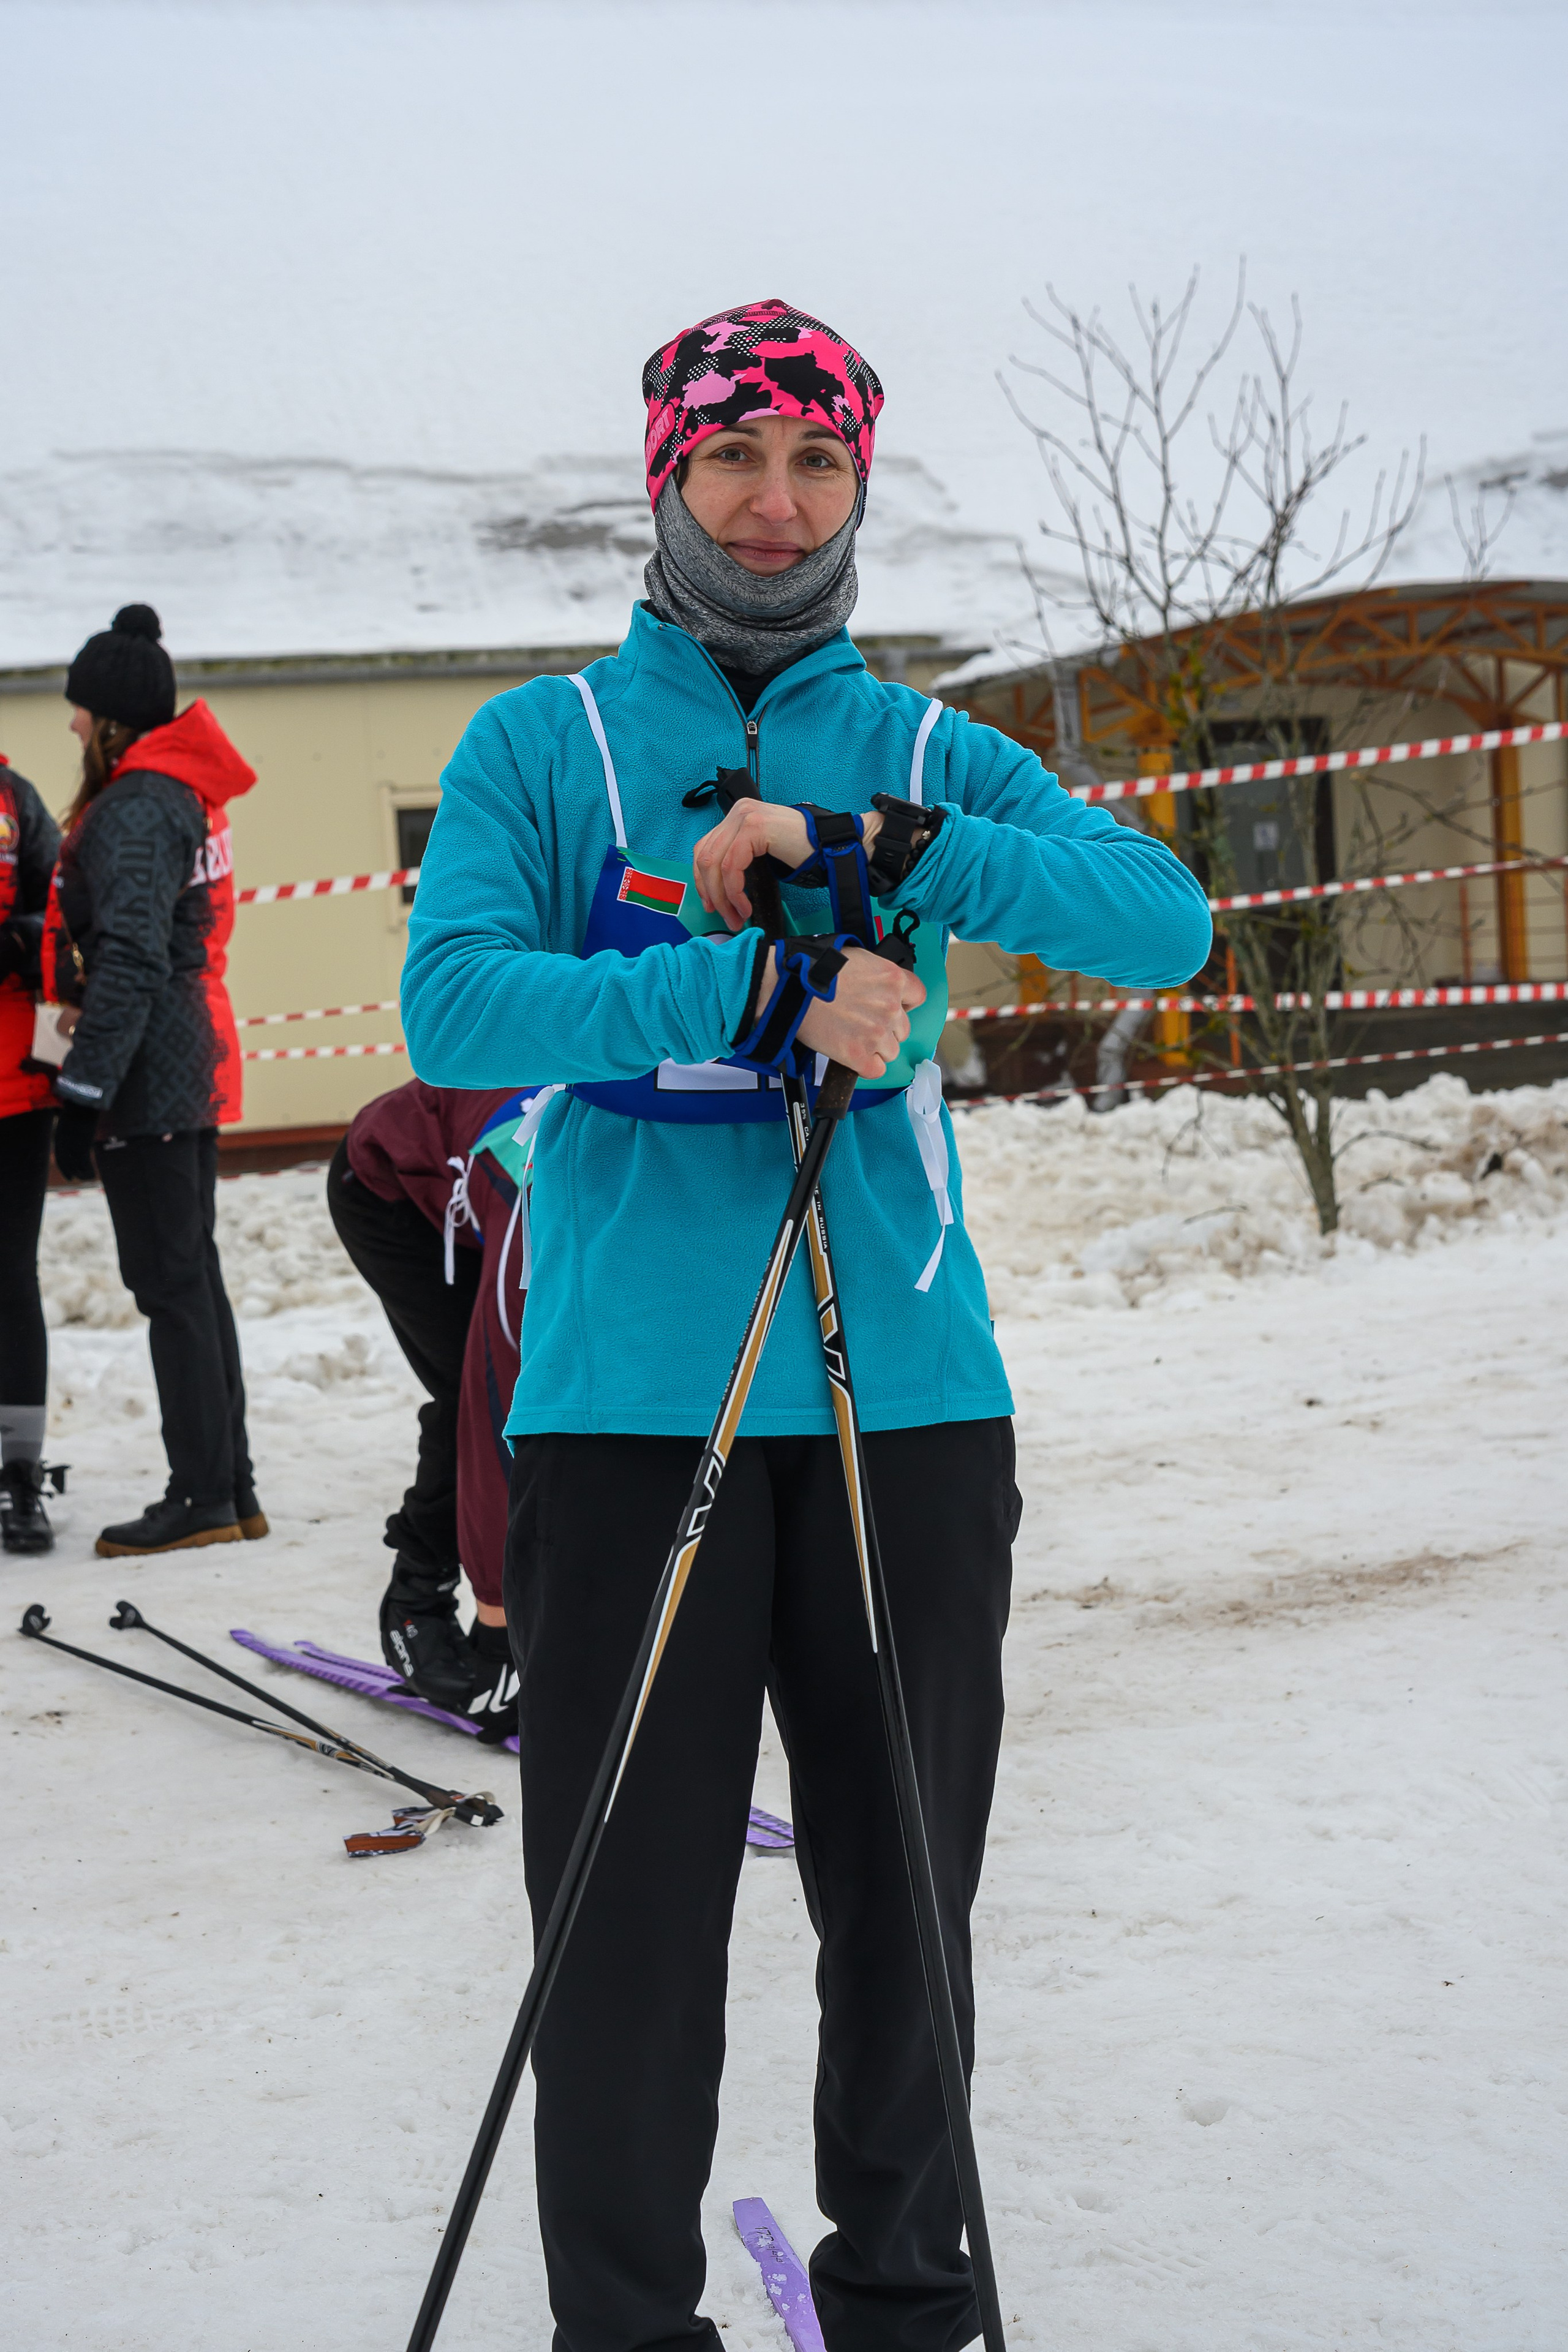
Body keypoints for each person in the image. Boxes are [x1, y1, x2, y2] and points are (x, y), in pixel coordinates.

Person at [401, 300, 1213, 2352]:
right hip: (627, 1414)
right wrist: (728, 990)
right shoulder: (546, 746)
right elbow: (458, 1018)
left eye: (817, 464)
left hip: (906, 1409)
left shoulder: (929, 743)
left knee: (904, 1920)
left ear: (858, 484)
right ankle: (627, 2328)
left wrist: (876, 853)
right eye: (734, 460)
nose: (774, 507)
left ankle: (908, 2306)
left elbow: (1165, 918)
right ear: (664, 475)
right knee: (628, 1941)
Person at [48, 605, 266, 1558]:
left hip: (153, 1071)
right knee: (193, 1280)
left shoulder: (138, 805)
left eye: (81, 710)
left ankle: (203, 1496)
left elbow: (132, 956)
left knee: (172, 1284)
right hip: (186, 1057)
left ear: (114, 722)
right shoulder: (169, 793)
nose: (71, 726)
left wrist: (83, 1092)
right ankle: (232, 1486)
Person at [326, 1077, 531, 1734]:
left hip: (479, 1180)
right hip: (392, 1188)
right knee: (480, 1395)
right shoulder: (538, 1202)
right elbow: (493, 1409)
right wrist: (501, 1630)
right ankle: (417, 1596)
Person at [0, 750, 63, 1553]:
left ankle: (20, 1474)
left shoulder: (15, 798)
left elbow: (62, 935)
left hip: (17, 1088)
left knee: (12, 1278)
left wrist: (58, 1069)